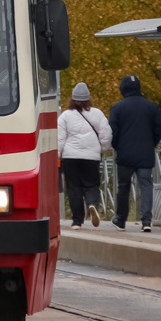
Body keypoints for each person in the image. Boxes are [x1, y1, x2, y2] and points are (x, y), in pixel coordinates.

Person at [107, 74, 161, 232]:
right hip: (145, 154)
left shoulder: (117, 108)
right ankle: (146, 221)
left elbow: (113, 132)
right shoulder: (151, 107)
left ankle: (121, 220)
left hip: (125, 155)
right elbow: (158, 130)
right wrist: (151, 144)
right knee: (146, 185)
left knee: (123, 187)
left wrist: (118, 147)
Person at [58, 82, 112, 228]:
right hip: (91, 157)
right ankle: (92, 204)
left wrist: (58, 155)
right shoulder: (98, 113)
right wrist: (102, 149)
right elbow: (106, 135)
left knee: (73, 187)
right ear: (88, 99)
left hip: (70, 157)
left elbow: (60, 139)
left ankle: (77, 221)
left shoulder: (66, 116)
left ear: (72, 99)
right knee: (92, 185)